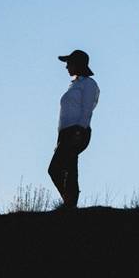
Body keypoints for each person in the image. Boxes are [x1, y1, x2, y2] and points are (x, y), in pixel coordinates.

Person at [48, 49, 100, 210]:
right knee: (66, 167)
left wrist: (80, 130)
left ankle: (70, 203)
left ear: (77, 64)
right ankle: (69, 203)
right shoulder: (74, 85)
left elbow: (87, 109)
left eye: (69, 63)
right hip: (65, 133)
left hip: (77, 131)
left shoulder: (89, 84)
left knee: (58, 168)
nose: (66, 67)